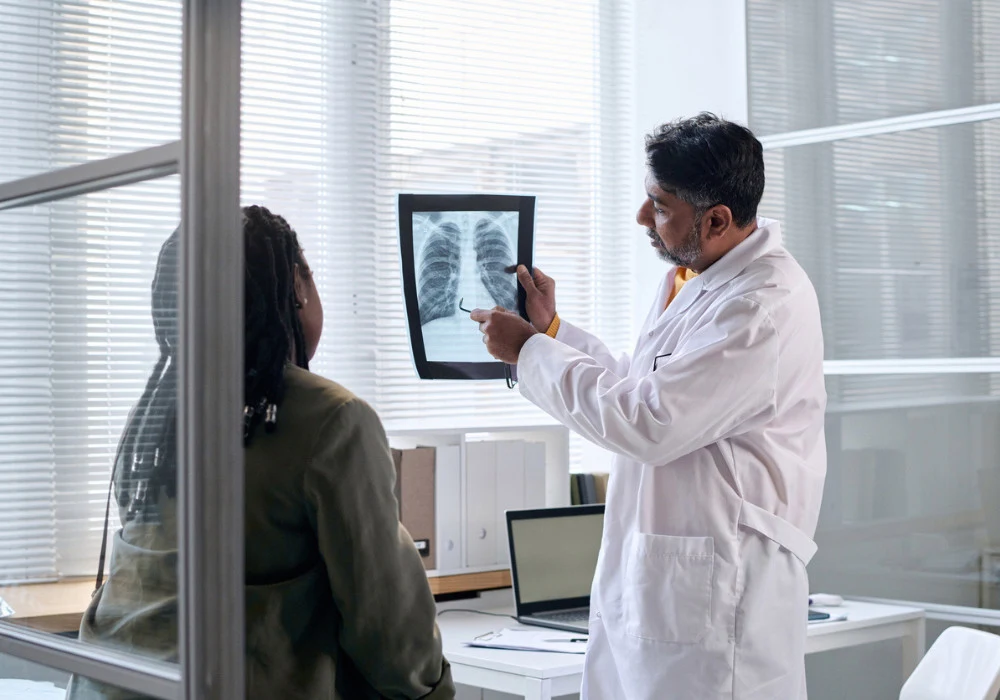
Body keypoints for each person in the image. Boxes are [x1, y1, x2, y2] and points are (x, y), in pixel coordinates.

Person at [471, 113, 826, 700]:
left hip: (723, 599)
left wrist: (531, 353)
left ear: (716, 219)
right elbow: (646, 389)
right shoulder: (699, 277)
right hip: (669, 585)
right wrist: (552, 332)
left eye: (659, 207)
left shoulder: (760, 306)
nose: (643, 217)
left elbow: (648, 423)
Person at [68, 206, 455, 700]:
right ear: (295, 287)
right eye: (309, 275)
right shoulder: (333, 419)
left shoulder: (154, 414)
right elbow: (392, 634)